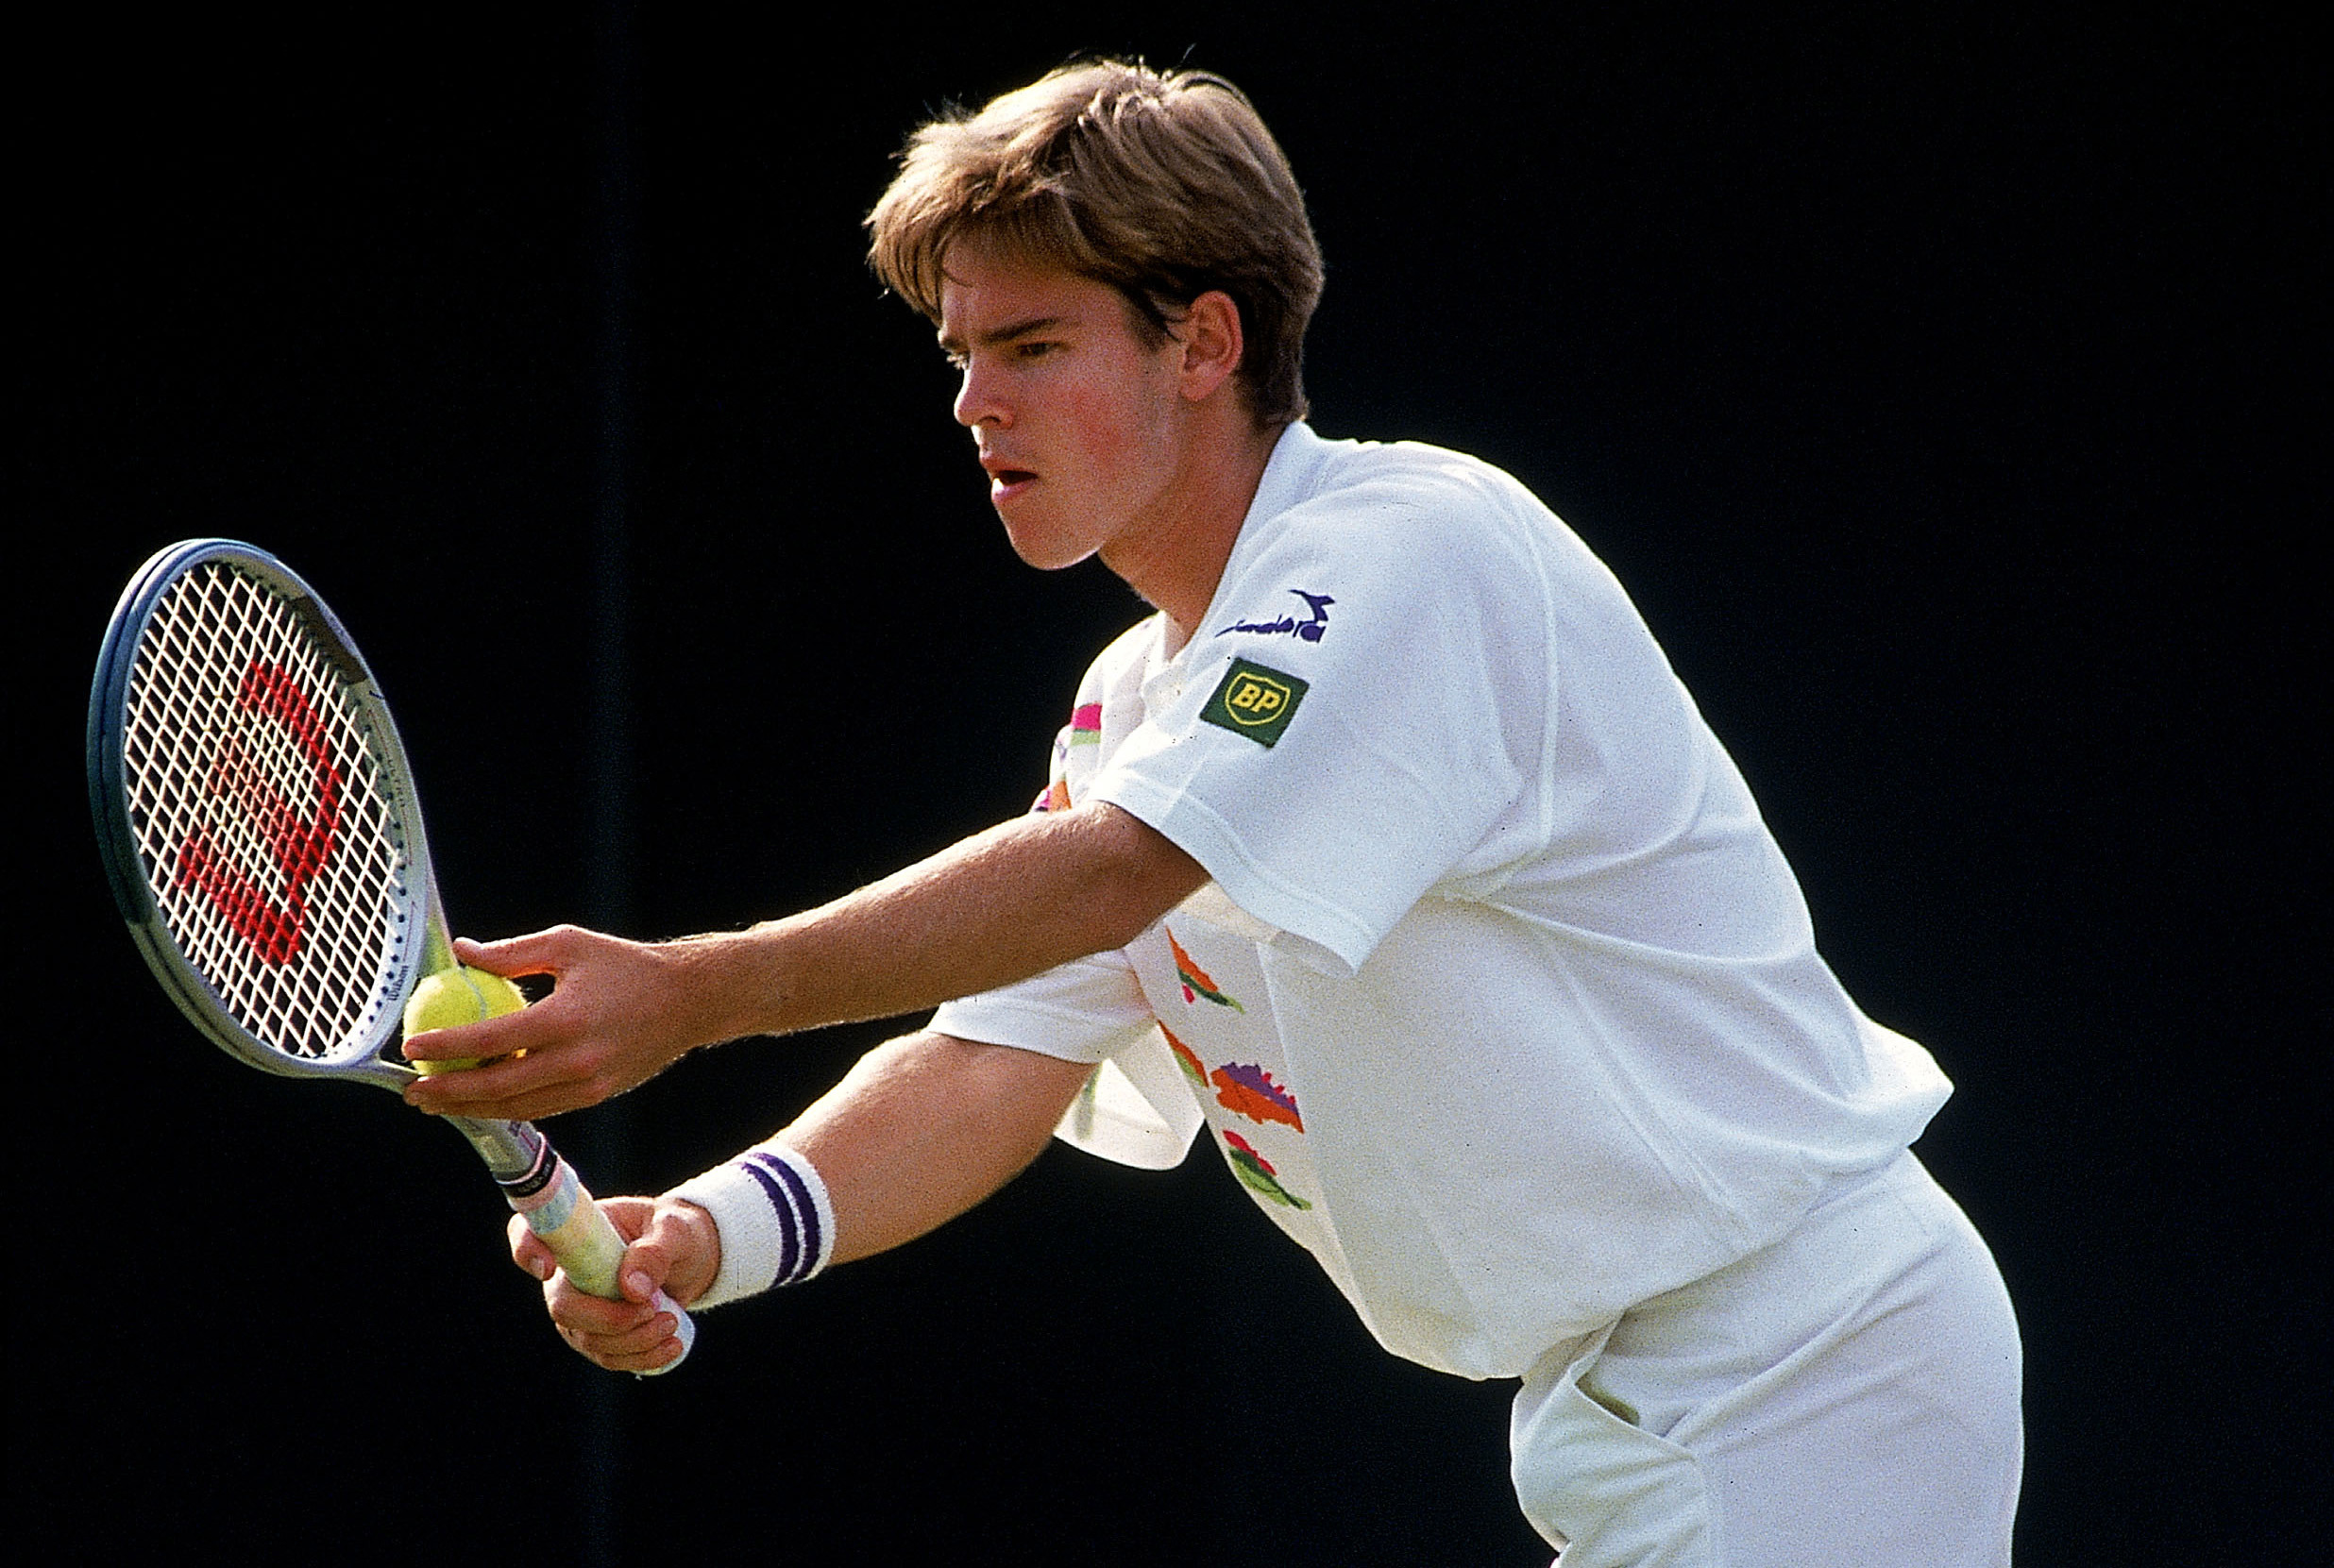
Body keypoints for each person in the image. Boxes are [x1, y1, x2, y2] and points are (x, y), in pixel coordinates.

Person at [403, 60, 2023, 1565]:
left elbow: (1116, 872)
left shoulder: (1407, 551)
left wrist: (699, 990)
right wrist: (701, 1229)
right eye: (958, 354)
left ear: (1204, 342)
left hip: (1806, 1356)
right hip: (1635, 1399)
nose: (973, 403)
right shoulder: (1129, 702)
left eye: (1032, 348)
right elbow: (989, 1057)